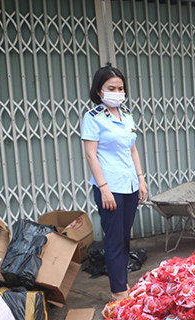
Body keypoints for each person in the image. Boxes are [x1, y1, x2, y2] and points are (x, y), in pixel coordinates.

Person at [81, 64, 147, 301]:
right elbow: (91, 155)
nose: (117, 92)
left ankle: (123, 283)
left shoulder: (127, 115)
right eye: (111, 88)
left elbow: (133, 149)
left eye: (120, 88)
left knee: (125, 237)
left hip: (129, 184)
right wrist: (104, 189)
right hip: (109, 186)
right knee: (114, 238)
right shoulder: (92, 118)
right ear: (99, 90)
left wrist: (141, 179)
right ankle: (118, 291)